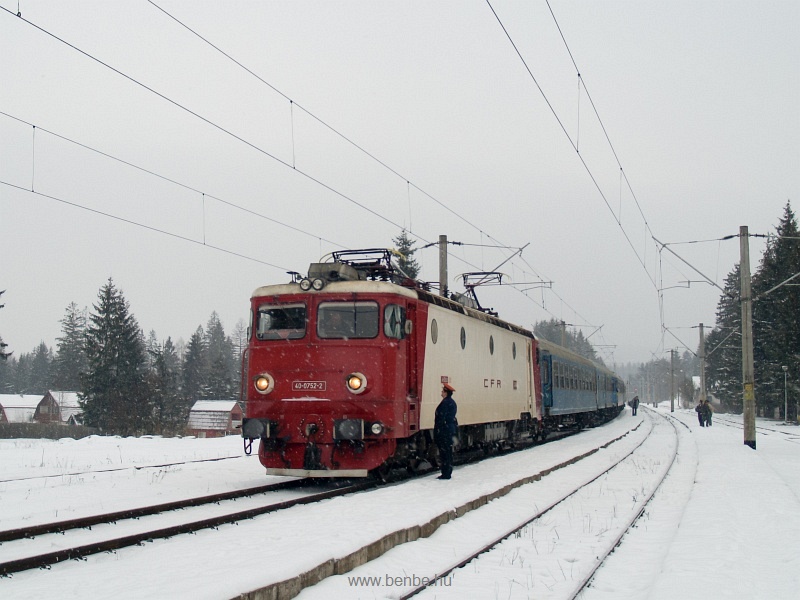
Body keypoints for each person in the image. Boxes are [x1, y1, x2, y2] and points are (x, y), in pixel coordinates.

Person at [434, 382, 458, 480]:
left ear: (446, 392)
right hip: (449, 429)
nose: (441, 393)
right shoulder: (452, 402)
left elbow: (441, 417)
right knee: (448, 452)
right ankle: (447, 471)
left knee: (445, 453)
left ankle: (446, 473)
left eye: (443, 391)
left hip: (444, 430)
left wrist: (438, 429)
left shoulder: (445, 403)